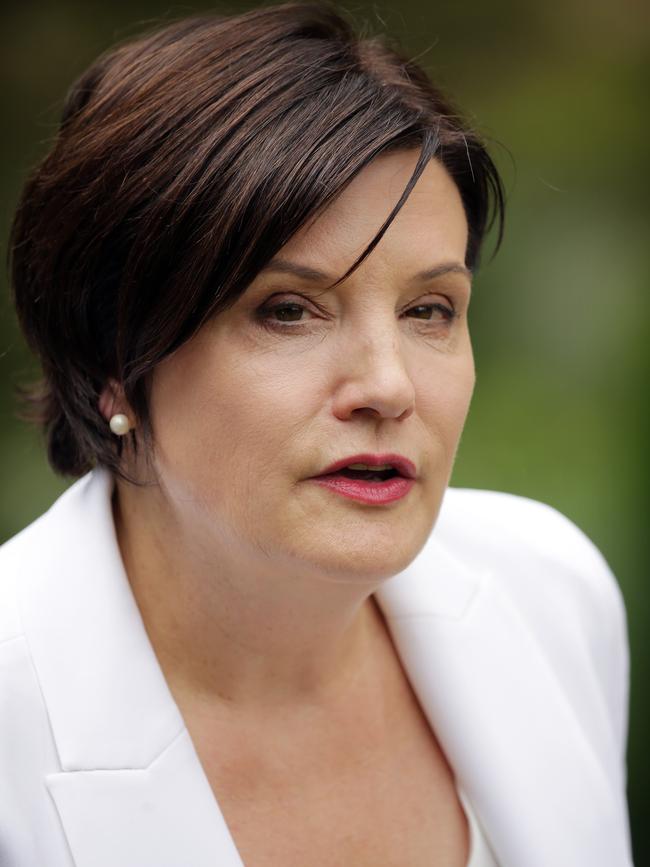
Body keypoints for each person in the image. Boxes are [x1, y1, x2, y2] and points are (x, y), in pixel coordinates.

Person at [0, 3, 633, 865]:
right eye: (288, 310)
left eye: (430, 310)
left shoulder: (552, 593)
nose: (388, 384)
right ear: (113, 353)